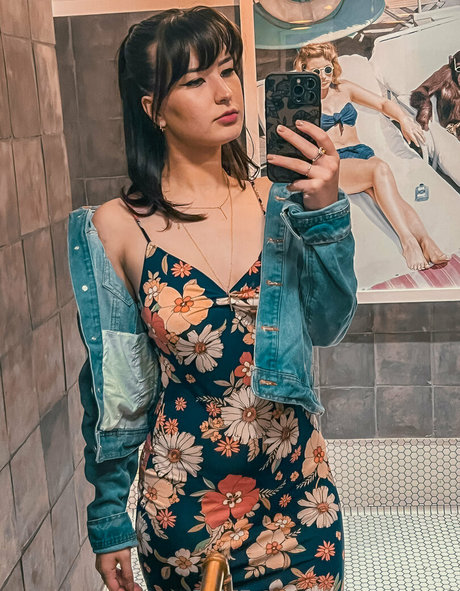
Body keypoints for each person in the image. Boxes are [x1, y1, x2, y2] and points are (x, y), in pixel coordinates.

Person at [68, 7, 357, 591]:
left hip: (299, 501)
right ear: (153, 108)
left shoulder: (281, 201)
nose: (225, 91)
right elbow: (112, 388)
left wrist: (326, 213)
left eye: (227, 70)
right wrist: (107, 516)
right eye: (195, 81)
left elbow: (329, 324)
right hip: (182, 511)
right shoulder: (119, 227)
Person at [295, 42, 450, 271]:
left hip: (360, 153)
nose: (323, 76)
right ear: (304, 72)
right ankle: (408, 241)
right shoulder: (301, 102)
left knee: (390, 195)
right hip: (333, 162)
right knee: (380, 169)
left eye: (327, 69)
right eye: (315, 72)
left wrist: (403, 120)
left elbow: (382, 103)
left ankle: (425, 240)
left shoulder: (344, 88)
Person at [410, 49, 460, 140]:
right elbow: (421, 91)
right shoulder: (446, 74)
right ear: (451, 63)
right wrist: (425, 108)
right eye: (459, 69)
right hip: (453, 126)